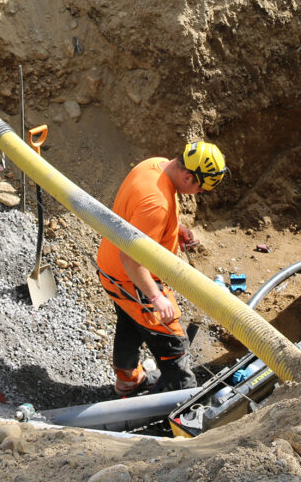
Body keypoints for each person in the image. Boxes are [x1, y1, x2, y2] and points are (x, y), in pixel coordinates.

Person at [96, 141, 228, 396]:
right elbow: (131, 258)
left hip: (111, 269)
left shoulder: (154, 165)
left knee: (130, 321)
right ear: (188, 176)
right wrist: (156, 298)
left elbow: (137, 217)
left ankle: (128, 381)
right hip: (130, 276)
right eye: (200, 187)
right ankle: (181, 399)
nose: (199, 192)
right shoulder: (157, 204)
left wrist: (173, 230)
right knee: (173, 339)